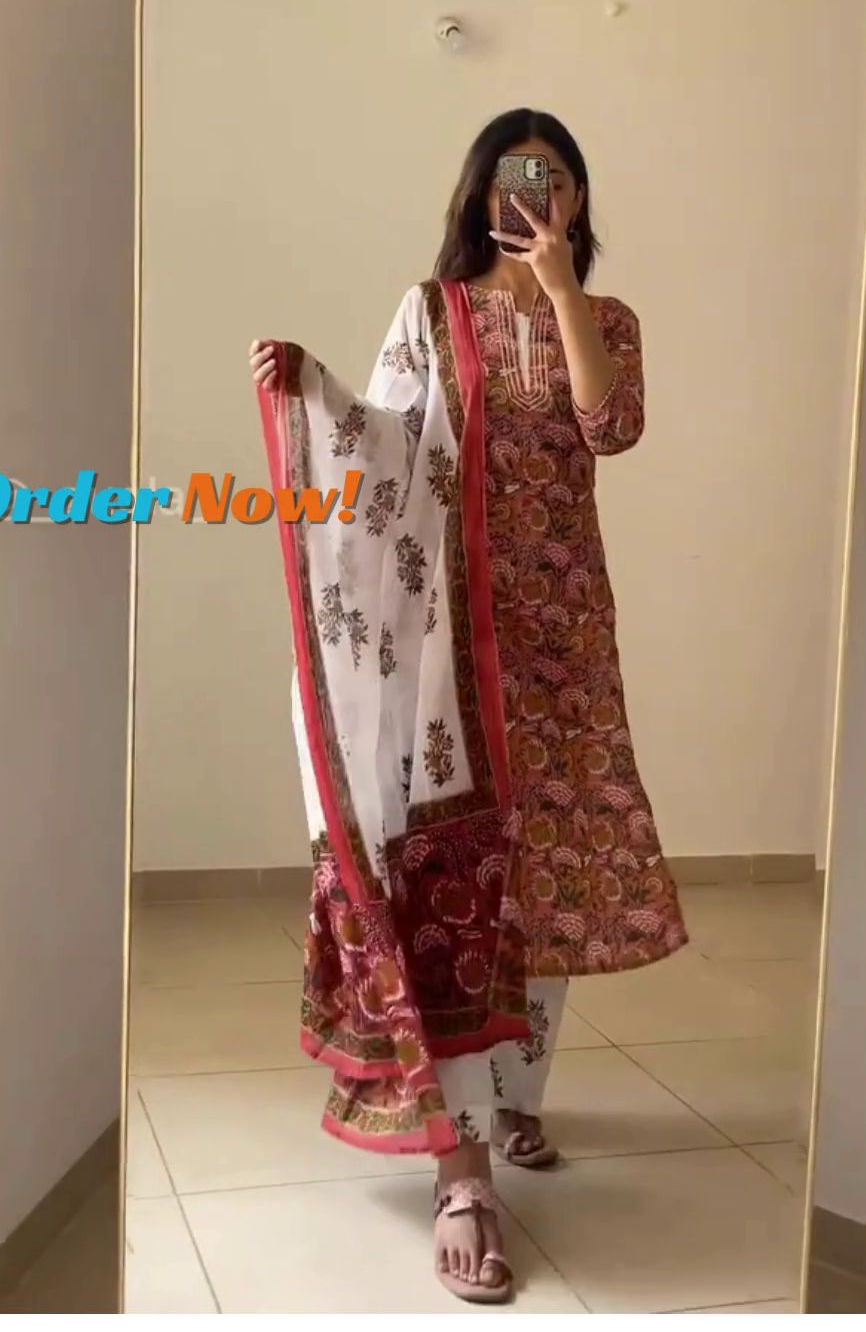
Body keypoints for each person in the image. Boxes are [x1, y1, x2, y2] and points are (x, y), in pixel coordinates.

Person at [251, 107, 686, 1304]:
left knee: (547, 865)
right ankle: (463, 1167)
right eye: (509, 178)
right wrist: (313, 392)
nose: (529, 196)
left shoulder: (608, 320)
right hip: (444, 641)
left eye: (552, 179)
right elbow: (388, 449)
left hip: (562, 637)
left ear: (577, 198)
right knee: (455, 869)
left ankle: (518, 1094)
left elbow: (611, 427)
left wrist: (562, 294)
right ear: (477, 194)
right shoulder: (429, 313)